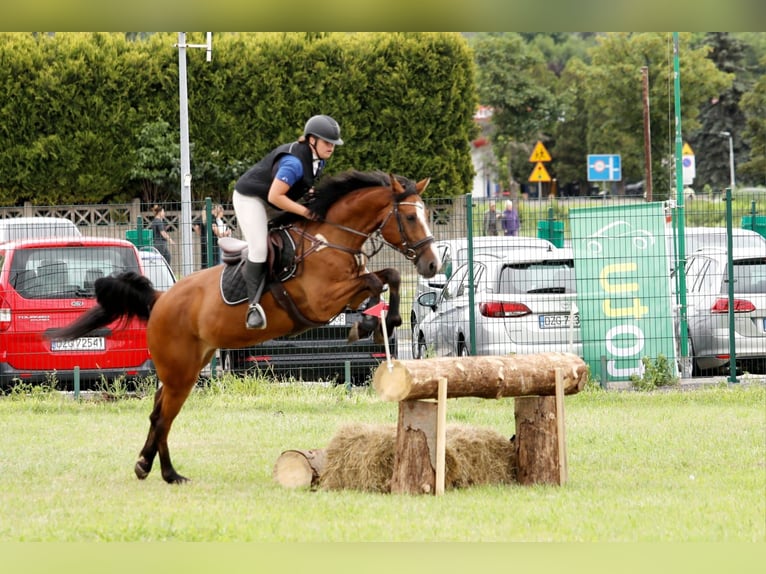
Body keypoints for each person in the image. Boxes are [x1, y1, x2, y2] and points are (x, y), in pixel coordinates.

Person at [232, 114, 343, 329]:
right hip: (251, 199)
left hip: (271, 200)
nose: (331, 147)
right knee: (259, 249)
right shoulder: (294, 163)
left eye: (333, 144)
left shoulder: (317, 160)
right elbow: (275, 196)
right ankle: (253, 306)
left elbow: (294, 188)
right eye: (327, 142)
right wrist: (305, 211)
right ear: (312, 140)